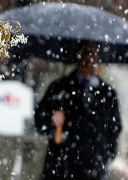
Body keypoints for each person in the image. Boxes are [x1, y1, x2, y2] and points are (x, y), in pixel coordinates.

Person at [35, 43, 122, 180]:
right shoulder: (58, 88)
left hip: (93, 167)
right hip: (60, 165)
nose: (89, 57)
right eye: (86, 52)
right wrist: (51, 119)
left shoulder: (107, 93)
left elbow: (114, 128)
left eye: (93, 52)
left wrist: (105, 155)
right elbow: (39, 120)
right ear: (78, 55)